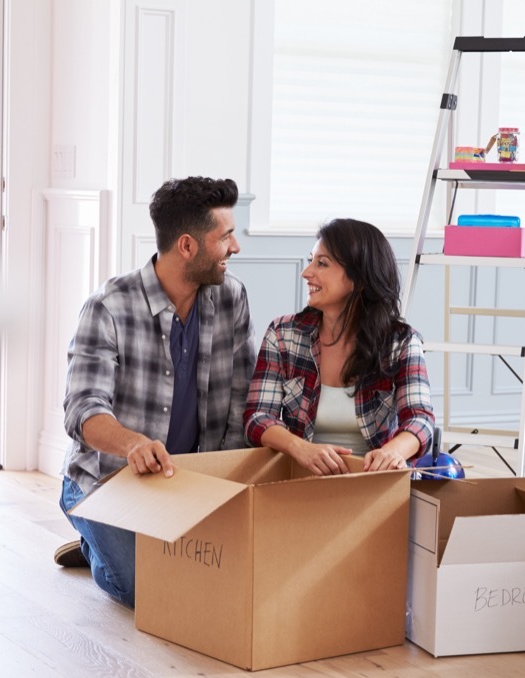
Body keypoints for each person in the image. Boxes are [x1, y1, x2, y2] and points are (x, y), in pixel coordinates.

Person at [55, 176, 256, 608]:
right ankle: (94, 542)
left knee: (225, 579)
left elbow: (242, 400)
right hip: (109, 480)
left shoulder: (231, 298)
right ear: (187, 246)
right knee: (145, 589)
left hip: (187, 483)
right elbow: (82, 410)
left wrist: (227, 490)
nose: (235, 247)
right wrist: (134, 444)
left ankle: (119, 544)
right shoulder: (109, 306)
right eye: (225, 237)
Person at [244, 218, 434, 475]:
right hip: (299, 478)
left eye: (321, 263)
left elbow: (420, 419)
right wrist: (300, 448)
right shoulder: (282, 334)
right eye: (311, 260)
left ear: (359, 279)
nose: (306, 272)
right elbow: (257, 417)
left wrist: (392, 452)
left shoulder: (401, 342)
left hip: (372, 482)